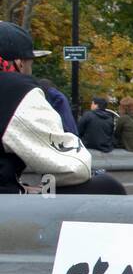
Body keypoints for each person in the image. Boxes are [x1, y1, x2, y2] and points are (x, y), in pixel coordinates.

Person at [0, 21, 125, 195]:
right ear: (19, 64)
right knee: (107, 186)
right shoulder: (13, 89)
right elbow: (72, 167)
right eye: (30, 64)